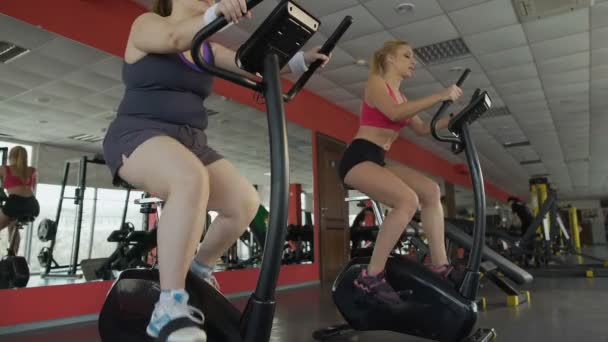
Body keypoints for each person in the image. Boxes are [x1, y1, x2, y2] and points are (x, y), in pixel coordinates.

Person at [101, 0, 331, 341]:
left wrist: (299, 61)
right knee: (190, 178)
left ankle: (199, 270)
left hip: (191, 141)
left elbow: (247, 65)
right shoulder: (147, 24)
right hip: (140, 132)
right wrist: (215, 15)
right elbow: (175, 36)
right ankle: (168, 305)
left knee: (244, 204)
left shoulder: (206, 48)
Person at [337, 40, 463, 306]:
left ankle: (440, 265)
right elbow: (394, 113)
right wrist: (440, 94)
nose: (413, 61)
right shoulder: (376, 82)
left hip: (377, 159)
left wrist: (452, 119)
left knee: (431, 191)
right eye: (407, 55)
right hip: (358, 157)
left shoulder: (402, 96)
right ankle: (371, 275)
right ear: (389, 59)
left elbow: (421, 129)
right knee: (407, 200)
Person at [0, 146, 40, 256]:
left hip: (15, 203)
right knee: (13, 226)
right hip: (33, 205)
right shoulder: (33, 170)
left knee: (11, 222)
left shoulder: (4, 169)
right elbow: (32, 190)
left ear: (10, 156)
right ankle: (13, 257)